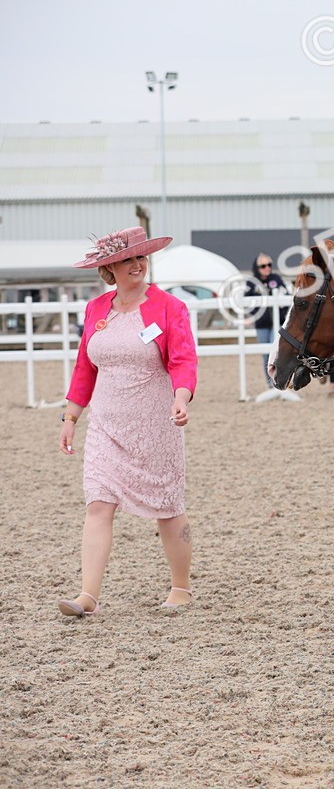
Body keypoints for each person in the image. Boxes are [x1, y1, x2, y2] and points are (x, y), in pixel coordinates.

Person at [57, 227, 198, 616]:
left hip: (156, 422)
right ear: (110, 269)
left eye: (140, 258)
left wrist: (182, 396)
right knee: (98, 504)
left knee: (167, 505)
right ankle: (88, 595)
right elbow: (85, 366)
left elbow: (183, 359)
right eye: (127, 260)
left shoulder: (170, 307)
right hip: (105, 424)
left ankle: (181, 588)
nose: (137, 265)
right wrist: (71, 416)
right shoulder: (95, 309)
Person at [244, 254, 287, 388]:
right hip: (262, 324)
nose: (267, 268)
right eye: (263, 266)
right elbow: (246, 301)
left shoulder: (276, 279)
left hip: (278, 322)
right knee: (266, 355)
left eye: (269, 265)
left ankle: (280, 381)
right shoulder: (252, 283)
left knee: (278, 353)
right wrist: (255, 315)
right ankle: (270, 384)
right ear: (257, 268)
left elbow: (285, 295)